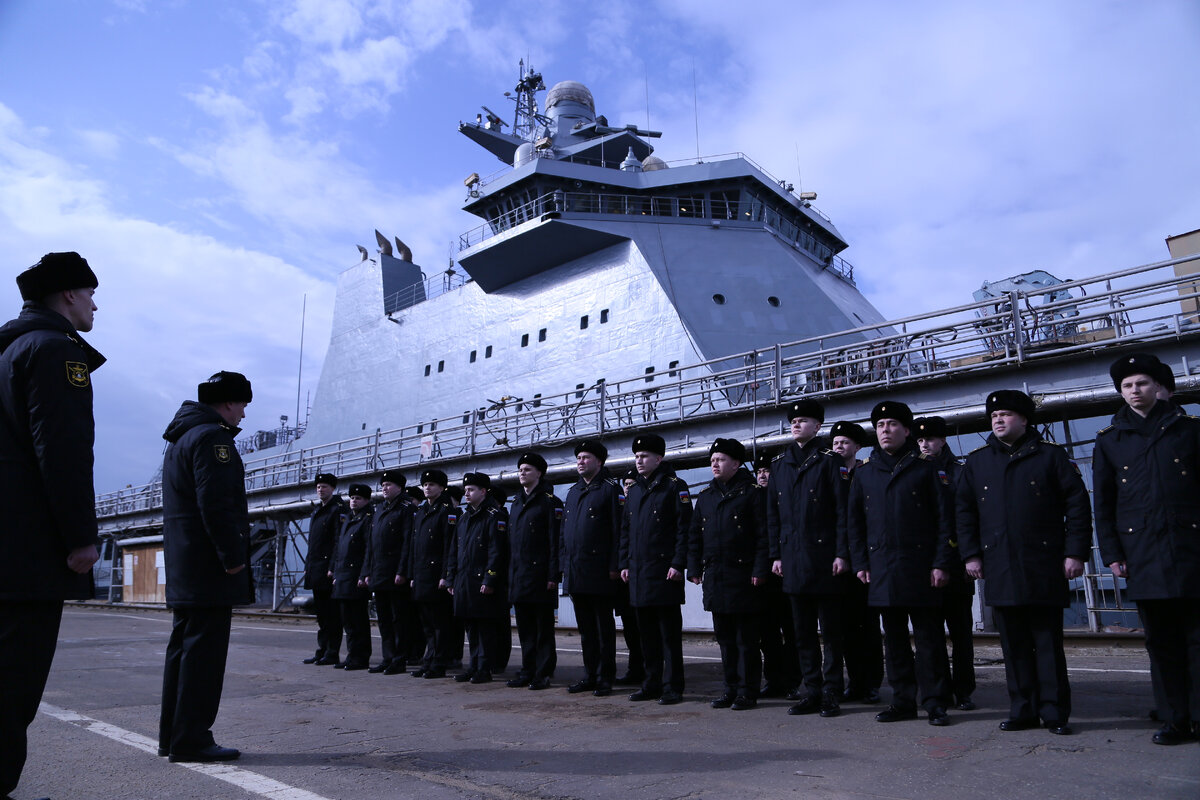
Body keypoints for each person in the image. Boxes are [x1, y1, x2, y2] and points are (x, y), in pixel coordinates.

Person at [0, 252, 103, 795]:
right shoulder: (58, 351)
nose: (94, 304)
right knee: (14, 681)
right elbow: (62, 451)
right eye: (89, 293)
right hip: (28, 551)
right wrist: (81, 538)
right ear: (67, 295)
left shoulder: (9, 349)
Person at [957, 390, 1091, 736]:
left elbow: (1077, 505)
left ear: (1024, 419)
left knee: (1046, 643)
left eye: (1005, 414)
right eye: (993, 416)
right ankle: (1023, 710)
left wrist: (1075, 552)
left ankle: (1055, 712)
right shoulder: (978, 462)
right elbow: (964, 513)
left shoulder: (1051, 458)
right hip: (999, 565)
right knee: (1013, 645)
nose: (998, 420)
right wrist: (971, 554)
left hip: (1044, 564)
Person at [1094, 354, 1200, 745]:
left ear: (1157, 387)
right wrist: (1112, 554)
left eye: (1141, 383)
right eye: (1127, 386)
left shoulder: (1189, 430)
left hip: (1191, 549)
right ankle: (1174, 719)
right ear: (1120, 392)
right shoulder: (1109, 441)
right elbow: (1103, 506)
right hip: (1143, 554)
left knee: (1196, 639)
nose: (1135, 391)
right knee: (1162, 643)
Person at [158, 371, 254, 763]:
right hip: (209, 569)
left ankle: (174, 736)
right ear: (229, 402)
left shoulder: (182, 438)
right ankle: (193, 739)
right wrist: (232, 558)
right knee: (204, 658)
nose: (244, 414)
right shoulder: (213, 438)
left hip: (187, 566)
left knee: (182, 651)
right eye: (243, 404)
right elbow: (216, 504)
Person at [848, 400, 956, 726]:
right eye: (880, 426)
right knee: (893, 641)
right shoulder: (865, 473)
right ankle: (902, 701)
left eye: (892, 425)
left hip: (921, 567)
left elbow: (944, 521)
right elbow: (854, 523)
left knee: (929, 641)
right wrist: (860, 562)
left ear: (906, 430)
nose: (885, 430)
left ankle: (935, 702)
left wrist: (941, 562)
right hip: (882, 567)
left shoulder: (927, 468)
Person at [767, 400, 852, 718]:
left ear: (818, 427)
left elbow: (842, 511)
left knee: (831, 631)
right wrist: (775, 554)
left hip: (825, 557)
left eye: (803, 421)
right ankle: (811, 689)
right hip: (792, 558)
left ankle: (831, 690)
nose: (796, 425)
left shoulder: (831, 461)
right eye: (793, 421)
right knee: (801, 631)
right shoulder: (779, 464)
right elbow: (772, 516)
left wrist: (842, 553)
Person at [688, 438, 769, 710]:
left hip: (744, 576)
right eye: (712, 460)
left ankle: (748, 691)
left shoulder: (752, 493)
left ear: (736, 463)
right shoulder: (707, 497)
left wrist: (760, 569)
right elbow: (694, 537)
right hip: (716, 576)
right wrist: (694, 568)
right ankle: (730, 688)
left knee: (746, 640)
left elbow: (762, 536)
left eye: (720, 459)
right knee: (724, 638)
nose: (714, 464)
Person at [620, 433, 693, 705]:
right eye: (637, 456)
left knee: (668, 636)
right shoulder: (635, 489)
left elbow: (684, 529)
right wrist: (624, 563)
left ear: (658, 458)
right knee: (646, 635)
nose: (639, 461)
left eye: (644, 456)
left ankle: (673, 686)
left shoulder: (675, 486)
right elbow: (626, 531)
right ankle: (650, 683)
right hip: (638, 573)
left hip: (664, 572)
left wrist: (678, 563)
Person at [914, 415, 977, 712]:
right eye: (920, 440)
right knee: (931, 634)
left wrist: (968, 558)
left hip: (955, 565)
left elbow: (967, 518)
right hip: (926, 565)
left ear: (943, 441)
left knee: (961, 633)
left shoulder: (961, 472)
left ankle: (963, 689)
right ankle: (937, 689)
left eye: (931, 439)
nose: (925, 444)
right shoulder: (914, 471)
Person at [561, 440, 623, 697]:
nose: (581, 461)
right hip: (577, 571)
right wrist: (565, 568)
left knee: (602, 628)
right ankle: (589, 674)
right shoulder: (573, 492)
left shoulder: (610, 490)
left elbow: (618, 532)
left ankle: (605, 677)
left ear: (599, 461)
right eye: (579, 458)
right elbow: (566, 535)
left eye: (586, 457)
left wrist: (614, 567)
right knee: (586, 629)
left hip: (600, 571)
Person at [828, 420, 882, 705]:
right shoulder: (827, 473)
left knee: (868, 625)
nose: (839, 447)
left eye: (845, 443)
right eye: (835, 443)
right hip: (838, 563)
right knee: (844, 627)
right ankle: (855, 682)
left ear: (857, 447)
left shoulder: (865, 473)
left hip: (863, 561)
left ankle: (871, 683)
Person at [506, 452, 562, 690]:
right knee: (525, 628)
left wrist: (553, 576)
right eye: (520, 469)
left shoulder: (550, 502)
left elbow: (555, 542)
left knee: (543, 629)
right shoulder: (516, 503)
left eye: (527, 469)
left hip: (540, 576)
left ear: (539, 473)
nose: (522, 473)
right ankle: (527, 669)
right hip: (519, 576)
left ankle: (543, 672)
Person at [448, 473, 509, 684]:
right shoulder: (464, 518)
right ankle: (473, 666)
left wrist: (490, 579)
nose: (466, 492)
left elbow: (497, 551)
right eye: (465, 489)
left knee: (485, 629)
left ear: (483, 491)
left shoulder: (494, 515)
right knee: (470, 627)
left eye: (471, 489)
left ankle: (484, 668)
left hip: (482, 581)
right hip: (464, 580)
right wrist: (451, 578)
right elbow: (455, 550)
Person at [753, 450, 799, 699]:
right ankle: (773, 680)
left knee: (791, 631)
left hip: (784, 572)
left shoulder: (784, 497)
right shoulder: (752, 497)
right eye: (759, 471)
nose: (762, 475)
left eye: (766, 471)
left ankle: (792, 680)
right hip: (764, 576)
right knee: (767, 634)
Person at [408, 469, 455, 679]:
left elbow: (449, 546)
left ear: (442, 487)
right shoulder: (421, 511)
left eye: (432, 484)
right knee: (426, 623)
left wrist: (446, 574)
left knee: (440, 624)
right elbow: (414, 545)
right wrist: (411, 574)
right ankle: (429, 660)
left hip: (437, 576)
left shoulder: (447, 510)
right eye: (425, 484)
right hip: (421, 574)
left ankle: (439, 662)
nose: (427, 487)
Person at [364, 470, 412, 675]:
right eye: (383, 485)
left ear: (399, 487)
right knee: (383, 619)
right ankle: (387, 657)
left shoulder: (406, 509)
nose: (384, 488)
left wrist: (402, 571)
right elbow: (371, 545)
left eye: (389, 485)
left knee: (398, 619)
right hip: (379, 572)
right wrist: (367, 571)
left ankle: (399, 659)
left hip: (395, 573)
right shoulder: (379, 509)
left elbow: (407, 542)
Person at [303, 473, 345, 665]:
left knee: (332, 614)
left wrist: (333, 567)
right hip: (316, 568)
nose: (321, 489)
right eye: (319, 487)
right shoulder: (317, 511)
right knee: (321, 614)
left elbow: (338, 540)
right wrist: (307, 566)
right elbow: (313, 543)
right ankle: (322, 649)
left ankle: (332, 652)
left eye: (325, 487)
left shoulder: (337, 509)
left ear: (333, 488)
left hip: (327, 569)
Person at [331, 483, 373, 670]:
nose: (354, 501)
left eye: (358, 498)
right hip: (343, 576)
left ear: (366, 500)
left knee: (358, 620)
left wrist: (364, 574)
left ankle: (360, 656)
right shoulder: (348, 519)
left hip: (356, 576)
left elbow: (367, 550)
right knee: (347, 620)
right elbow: (341, 549)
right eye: (352, 498)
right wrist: (336, 573)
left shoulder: (367, 519)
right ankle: (351, 655)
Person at [615, 468, 645, 686]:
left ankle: (647, 668)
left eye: (632, 483)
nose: (628, 488)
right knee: (629, 628)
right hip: (624, 577)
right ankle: (635, 668)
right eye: (626, 484)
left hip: (641, 575)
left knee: (643, 627)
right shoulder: (619, 508)